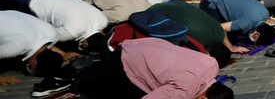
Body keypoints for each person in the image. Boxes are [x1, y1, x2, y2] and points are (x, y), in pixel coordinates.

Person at [73, 37, 232, 99]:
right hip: (130, 62)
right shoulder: (185, 89)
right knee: (93, 85)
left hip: (149, 45)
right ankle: (78, 70)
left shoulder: (213, 65)